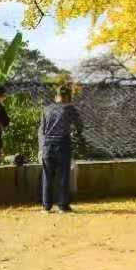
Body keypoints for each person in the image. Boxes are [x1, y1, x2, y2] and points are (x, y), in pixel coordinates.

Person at [38, 82, 84, 213]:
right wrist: (76, 133)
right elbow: (79, 126)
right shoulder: (70, 109)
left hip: (47, 145)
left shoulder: (46, 109)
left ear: (56, 96)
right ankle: (63, 206)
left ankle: (46, 206)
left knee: (47, 176)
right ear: (68, 97)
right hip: (62, 144)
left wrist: (41, 148)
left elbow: (41, 129)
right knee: (64, 176)